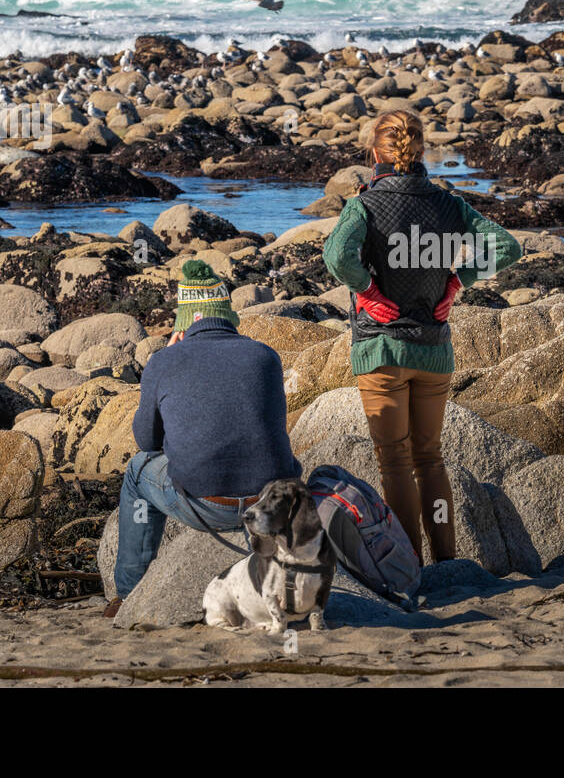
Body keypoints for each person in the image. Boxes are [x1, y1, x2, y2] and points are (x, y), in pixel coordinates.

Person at [322, 110, 522, 564]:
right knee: (429, 459)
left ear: (376, 152)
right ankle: (447, 561)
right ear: (420, 150)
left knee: (394, 463)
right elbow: (508, 246)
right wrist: (459, 280)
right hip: (434, 349)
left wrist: (369, 291)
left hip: (382, 349)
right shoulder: (448, 204)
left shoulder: (365, 204)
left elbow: (336, 257)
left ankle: (410, 564)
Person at [106, 259, 300, 617]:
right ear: (226, 315)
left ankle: (128, 596)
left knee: (136, 471)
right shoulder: (265, 356)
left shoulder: (163, 361)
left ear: (184, 321)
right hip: (271, 503)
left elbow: (146, 441)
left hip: (207, 504)